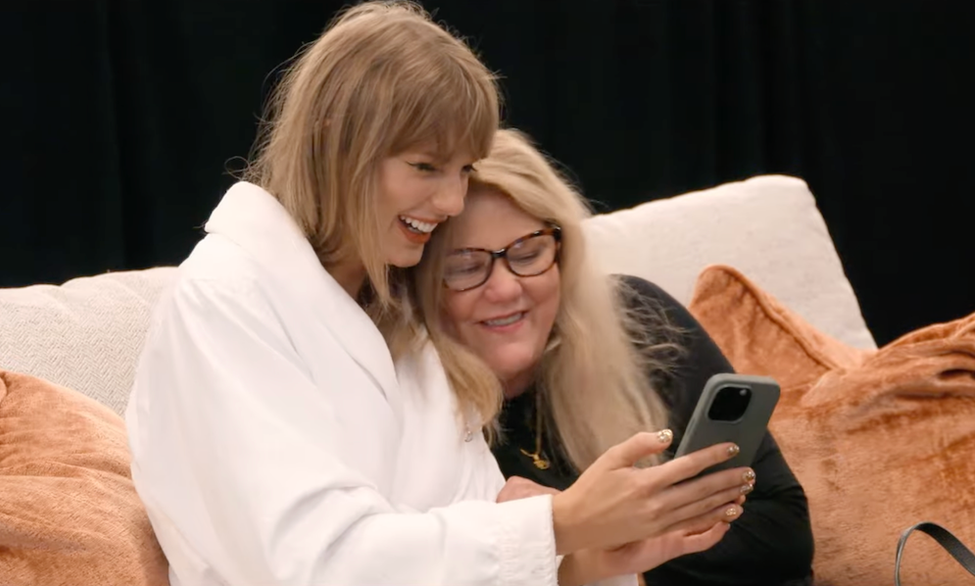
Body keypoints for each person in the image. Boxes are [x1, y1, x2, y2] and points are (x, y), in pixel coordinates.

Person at [125, 3, 757, 586]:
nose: (452, 203)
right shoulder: (226, 301)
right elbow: (314, 564)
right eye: (426, 167)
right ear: (333, 140)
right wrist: (560, 524)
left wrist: (595, 558)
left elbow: (476, 530)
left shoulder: (394, 311)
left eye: (463, 170)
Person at [409, 128, 816, 586]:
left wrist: (587, 541)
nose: (505, 288)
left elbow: (784, 533)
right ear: (418, 281)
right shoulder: (416, 411)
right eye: (464, 265)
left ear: (563, 252)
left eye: (528, 252)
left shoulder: (639, 317)